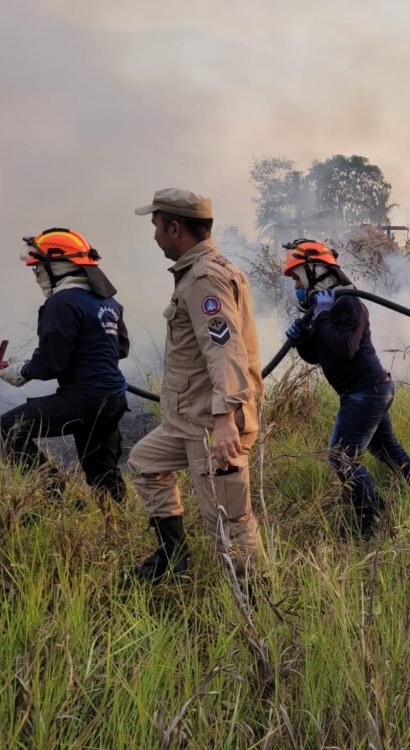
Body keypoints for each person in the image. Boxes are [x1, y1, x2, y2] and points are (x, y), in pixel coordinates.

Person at [128, 188, 265, 585]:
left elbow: (225, 351)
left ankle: (255, 606)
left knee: (228, 521)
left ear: (175, 228)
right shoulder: (196, 274)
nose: (154, 235)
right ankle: (173, 557)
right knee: (144, 462)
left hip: (211, 425)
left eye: (156, 225)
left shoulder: (205, 279)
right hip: (188, 420)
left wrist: (225, 421)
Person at [282, 238, 410, 539]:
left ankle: (372, 525)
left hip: (367, 392)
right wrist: (301, 338)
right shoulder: (324, 308)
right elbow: (318, 356)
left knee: (341, 456)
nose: (296, 287)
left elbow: (345, 348)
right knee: (384, 447)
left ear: (316, 270)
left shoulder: (348, 303)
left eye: (297, 278)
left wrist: (323, 315)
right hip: (364, 392)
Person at [0, 228, 130, 505]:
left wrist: (22, 371)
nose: (37, 275)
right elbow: (120, 349)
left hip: (83, 401)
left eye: (38, 268)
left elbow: (51, 364)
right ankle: (121, 529)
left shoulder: (61, 302)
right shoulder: (109, 302)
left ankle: (59, 495)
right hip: (113, 400)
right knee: (102, 477)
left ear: (56, 268)